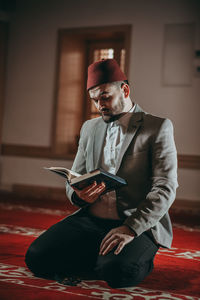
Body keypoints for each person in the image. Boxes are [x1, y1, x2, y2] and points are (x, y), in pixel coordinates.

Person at [25, 59, 178, 288]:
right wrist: (78, 195)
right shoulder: (89, 128)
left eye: (105, 97)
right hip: (91, 221)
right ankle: (100, 257)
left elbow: (165, 188)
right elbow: (74, 178)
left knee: (118, 273)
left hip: (135, 223)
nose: (100, 105)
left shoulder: (157, 127)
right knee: (36, 257)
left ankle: (132, 257)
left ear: (124, 90)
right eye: (95, 100)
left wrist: (131, 228)